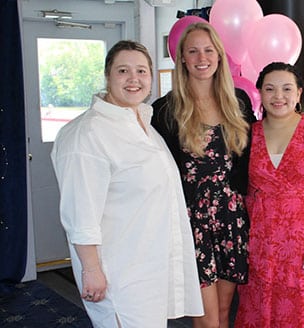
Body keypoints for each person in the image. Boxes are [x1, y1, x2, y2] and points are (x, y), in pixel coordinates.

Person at [151, 22, 304, 328]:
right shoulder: (165, 110)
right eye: (192, 51)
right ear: (182, 59)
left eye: (208, 50)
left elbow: (265, 131)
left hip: (233, 218)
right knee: (205, 318)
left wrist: (301, 116)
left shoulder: (238, 102)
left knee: (223, 312)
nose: (201, 57)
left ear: (219, 56)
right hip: (190, 221)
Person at [50, 40, 204, 327]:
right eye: (123, 70)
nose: (134, 79)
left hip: (148, 268)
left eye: (142, 71)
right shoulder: (88, 133)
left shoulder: (143, 122)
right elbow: (80, 212)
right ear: (108, 76)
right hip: (119, 273)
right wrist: (91, 270)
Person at [234, 62, 304, 328]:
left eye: (287, 89)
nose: (278, 96)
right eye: (270, 89)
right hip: (261, 242)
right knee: (262, 311)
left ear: (298, 93)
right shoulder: (249, 134)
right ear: (260, 93)